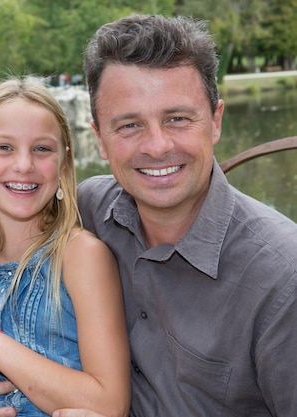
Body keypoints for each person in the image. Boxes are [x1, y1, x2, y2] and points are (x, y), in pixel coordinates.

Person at [54, 13, 297, 417]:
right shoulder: (88, 211)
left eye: (178, 119)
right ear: (99, 139)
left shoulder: (282, 279)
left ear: (215, 121)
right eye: (130, 125)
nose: (156, 145)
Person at [0, 78, 130, 417]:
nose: (23, 165)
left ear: (63, 163)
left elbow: (110, 404)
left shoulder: (81, 257)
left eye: (42, 149)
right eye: (4, 147)